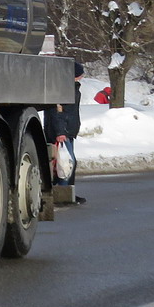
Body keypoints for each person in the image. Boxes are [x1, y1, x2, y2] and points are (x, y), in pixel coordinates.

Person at [46, 60, 85, 205]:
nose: (82, 77)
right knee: (65, 163)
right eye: (80, 74)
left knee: (68, 162)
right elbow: (57, 111)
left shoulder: (72, 88)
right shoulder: (64, 89)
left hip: (68, 131)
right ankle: (62, 193)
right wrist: (60, 131)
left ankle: (69, 193)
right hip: (62, 132)